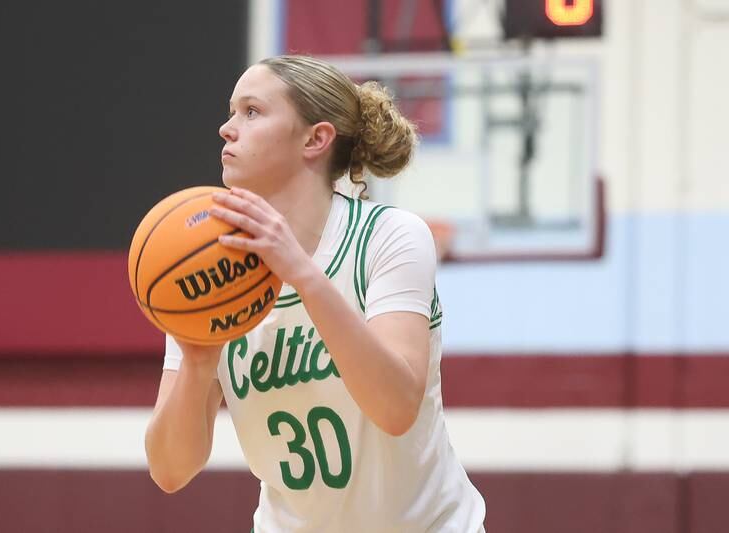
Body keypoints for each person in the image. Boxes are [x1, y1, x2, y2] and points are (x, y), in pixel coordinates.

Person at [144, 55, 486, 533]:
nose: (227, 128)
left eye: (251, 111)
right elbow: (169, 471)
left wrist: (303, 275)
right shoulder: (205, 267)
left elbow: (396, 409)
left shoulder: (388, 237)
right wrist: (198, 366)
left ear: (315, 139)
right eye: (231, 111)